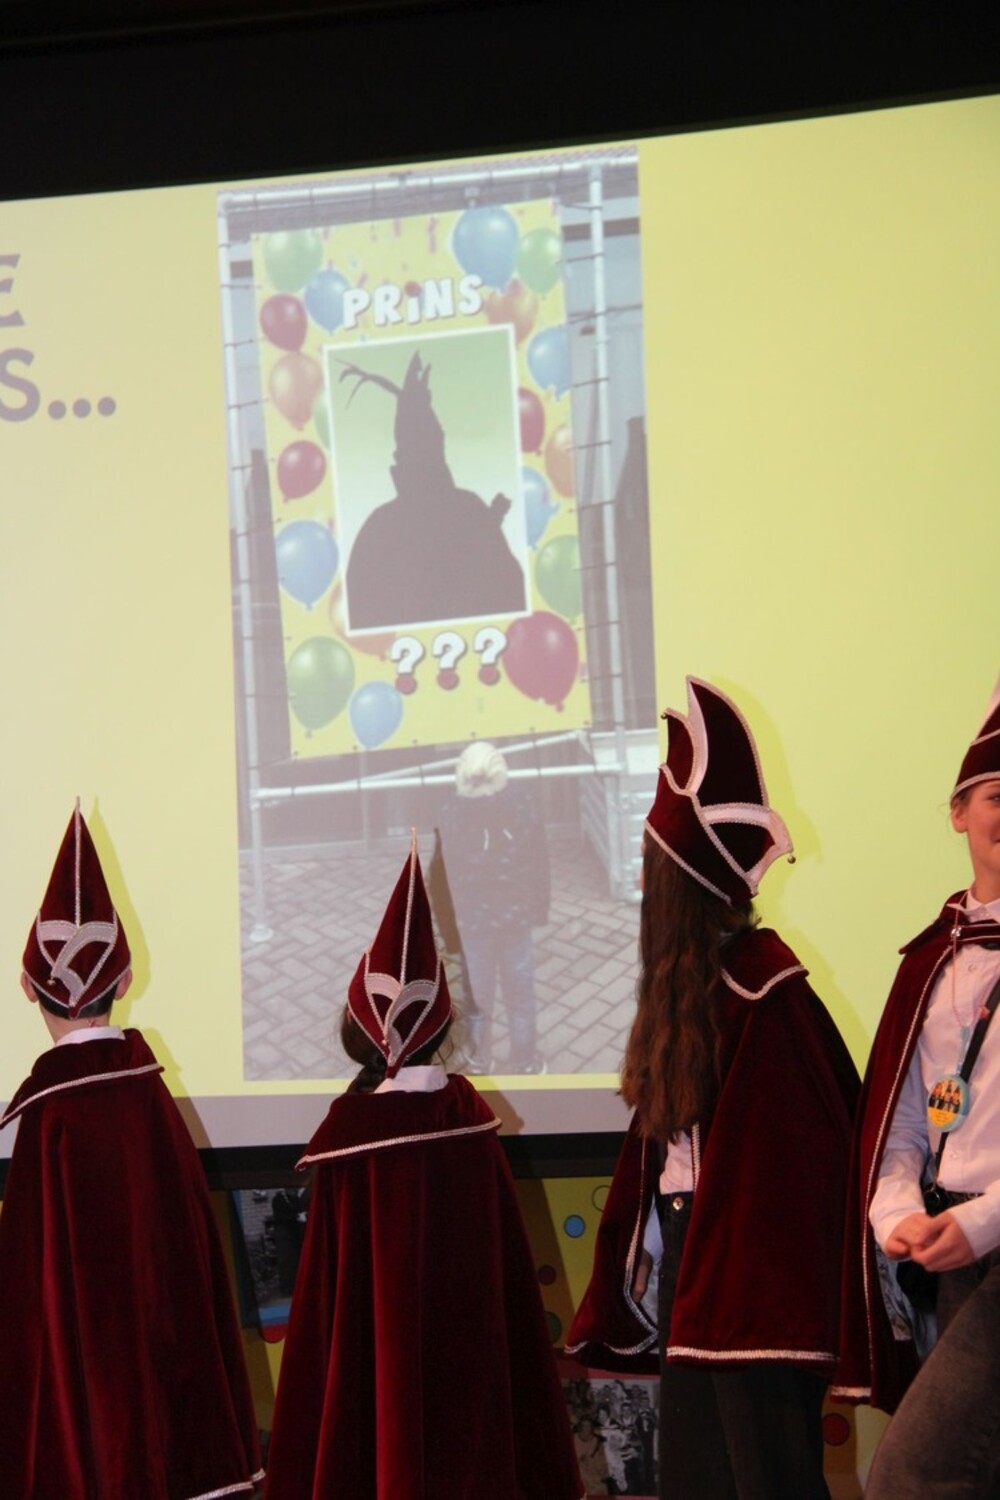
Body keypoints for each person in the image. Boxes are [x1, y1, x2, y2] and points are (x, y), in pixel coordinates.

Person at [566, 677, 861, 1500]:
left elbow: (796, 1167)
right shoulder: (693, 995)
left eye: (651, 871)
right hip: (696, 1277)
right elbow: (669, 1156)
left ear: (682, 887)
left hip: (752, 1301)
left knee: (768, 1483)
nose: (641, 889)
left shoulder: (765, 992)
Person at [263, 835, 582, 1500]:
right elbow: (506, 1303)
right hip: (472, 1414)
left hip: (372, 1425)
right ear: (443, 1025)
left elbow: (329, 1322)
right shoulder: (470, 1132)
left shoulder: (350, 1146)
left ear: (358, 1030)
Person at [0, 801, 263, 1499]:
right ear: (123, 983)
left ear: (25, 986)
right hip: (170, 1402)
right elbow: (191, 1264)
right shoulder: (153, 1101)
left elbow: (32, 1305)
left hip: (87, 1432)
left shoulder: (48, 1119)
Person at [838, 676, 1000, 1497]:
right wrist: (897, 1210)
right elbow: (904, 1120)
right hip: (943, 1253)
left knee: (911, 1476)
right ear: (958, 812)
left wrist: (982, 1223)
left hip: (989, 1242)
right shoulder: (932, 960)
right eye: (998, 796)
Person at [434, 741, 550, 1073]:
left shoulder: (450, 813)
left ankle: (479, 1058)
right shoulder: (523, 804)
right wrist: (540, 908)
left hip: (472, 921)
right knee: (520, 991)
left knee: (477, 996)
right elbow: (538, 861)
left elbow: (442, 874)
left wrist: (446, 924)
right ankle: (525, 1060)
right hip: (515, 916)